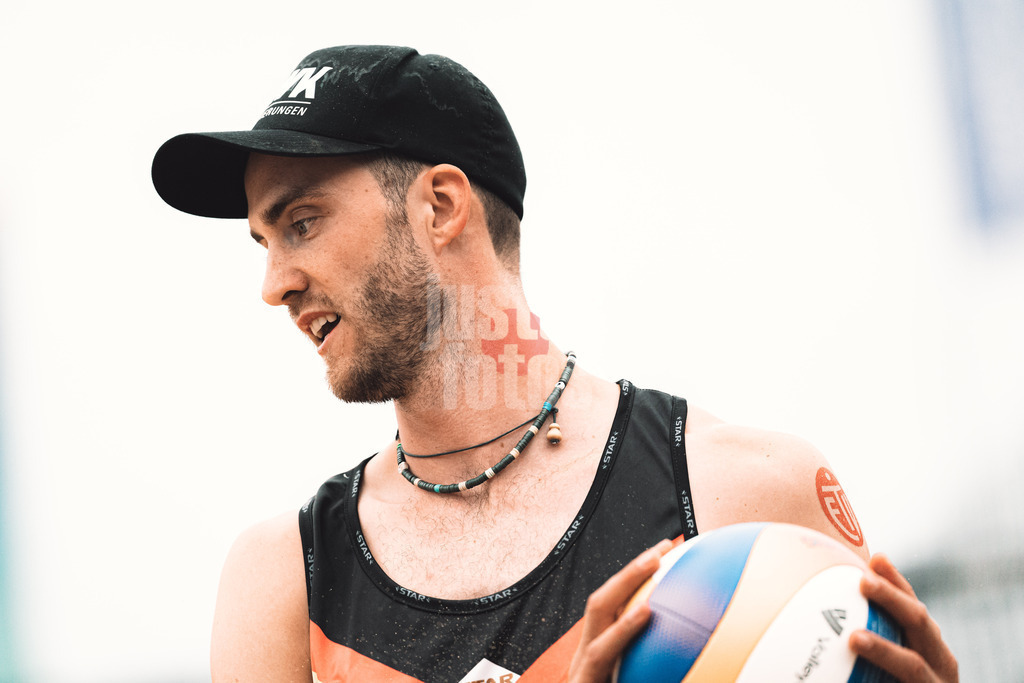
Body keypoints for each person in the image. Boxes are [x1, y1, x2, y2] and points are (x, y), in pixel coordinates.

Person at [152, 45, 958, 683]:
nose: (273, 284)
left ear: (439, 205)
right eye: (264, 240)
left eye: (301, 221)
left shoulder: (744, 493)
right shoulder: (287, 583)